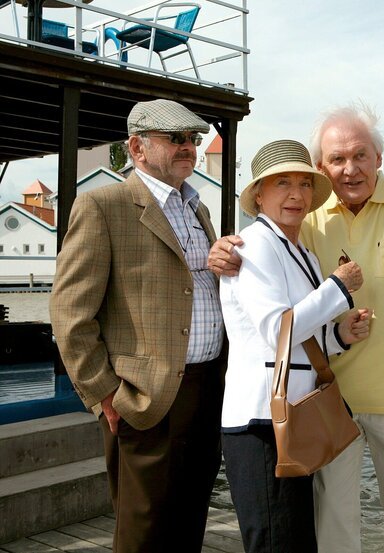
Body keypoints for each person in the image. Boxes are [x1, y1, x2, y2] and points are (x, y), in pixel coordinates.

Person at [208, 104, 384, 553]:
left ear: (378, 159)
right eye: (336, 160)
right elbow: (269, 277)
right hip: (326, 401)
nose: (350, 169)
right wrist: (226, 246)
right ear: (324, 166)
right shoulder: (306, 220)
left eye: (360, 155)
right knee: (331, 528)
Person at [50, 99, 225, 553]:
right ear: (137, 147)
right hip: (144, 397)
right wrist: (105, 393)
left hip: (207, 390)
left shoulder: (197, 209)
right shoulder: (102, 206)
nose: (189, 147)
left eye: (193, 139)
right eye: (176, 139)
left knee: (191, 520)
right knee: (143, 531)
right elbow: (70, 312)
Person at [220, 139, 371, 552]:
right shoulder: (255, 245)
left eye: (304, 184)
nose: (296, 194)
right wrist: (338, 287)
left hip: (290, 419)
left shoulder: (298, 247)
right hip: (259, 422)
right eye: (282, 183)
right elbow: (277, 331)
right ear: (259, 195)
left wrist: (340, 335)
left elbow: (302, 335)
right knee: (276, 541)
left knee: (295, 540)